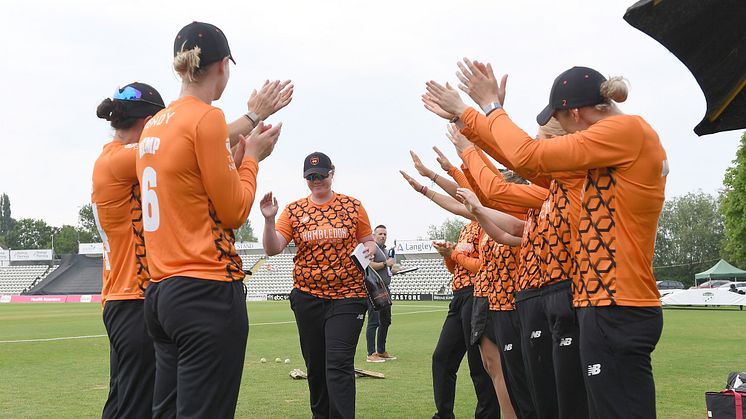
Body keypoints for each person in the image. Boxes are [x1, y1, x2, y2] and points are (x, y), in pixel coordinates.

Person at [428, 60, 668, 419]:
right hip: (599, 302)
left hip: (616, 301)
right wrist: (472, 124)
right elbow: (527, 165)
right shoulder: (597, 161)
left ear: (571, 114)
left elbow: (529, 156)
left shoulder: (627, 130)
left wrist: (488, 109)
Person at [136, 21, 284, 418]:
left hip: (161, 293)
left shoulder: (155, 125)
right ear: (222, 66)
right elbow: (234, 210)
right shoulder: (207, 118)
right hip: (206, 290)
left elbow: (191, 188)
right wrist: (252, 158)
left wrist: (237, 152)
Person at [261, 151, 377, 419]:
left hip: (348, 295)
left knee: (338, 364)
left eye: (321, 175)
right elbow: (273, 248)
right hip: (308, 297)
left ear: (331, 173)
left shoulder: (352, 206)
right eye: (311, 177)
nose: (316, 181)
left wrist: (368, 249)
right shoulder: (293, 210)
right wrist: (268, 220)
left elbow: (368, 239)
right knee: (316, 366)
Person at [93, 82, 164, 419]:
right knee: (137, 406)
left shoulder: (117, 160)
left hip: (124, 299)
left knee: (123, 402)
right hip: (133, 298)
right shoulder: (119, 158)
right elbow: (181, 144)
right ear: (150, 121)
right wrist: (253, 118)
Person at [366, 224, 399, 363]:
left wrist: (395, 269)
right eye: (380, 234)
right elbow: (368, 264)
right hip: (374, 288)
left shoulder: (385, 250)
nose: (383, 236)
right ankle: (371, 353)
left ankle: (381, 350)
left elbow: (387, 269)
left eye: (385, 234)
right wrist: (386, 263)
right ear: (373, 235)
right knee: (374, 321)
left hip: (385, 288)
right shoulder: (371, 248)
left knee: (386, 320)